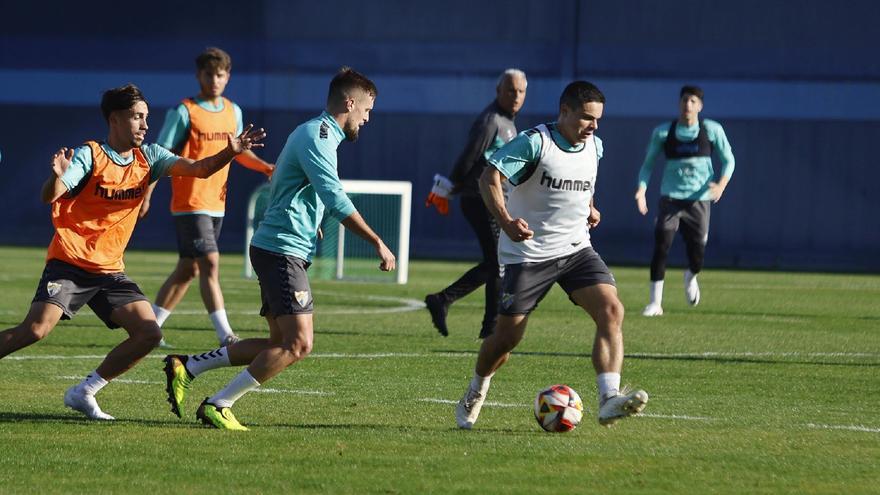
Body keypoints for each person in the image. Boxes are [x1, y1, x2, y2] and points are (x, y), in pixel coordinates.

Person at [0, 84, 265, 420]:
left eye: (146, 117)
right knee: (35, 330)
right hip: (70, 261)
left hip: (109, 270)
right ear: (115, 119)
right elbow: (49, 196)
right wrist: (56, 178)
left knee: (149, 332)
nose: (145, 124)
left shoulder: (150, 157)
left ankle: (85, 391)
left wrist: (231, 151)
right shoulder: (90, 154)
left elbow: (199, 169)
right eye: (137, 117)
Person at [162, 67, 396, 430]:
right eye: (366, 111)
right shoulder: (318, 136)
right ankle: (218, 403)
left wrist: (310, 220)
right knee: (299, 344)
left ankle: (189, 365)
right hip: (281, 250)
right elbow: (334, 198)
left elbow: (295, 185)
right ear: (350, 103)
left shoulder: (319, 135)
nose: (367, 119)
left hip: (281, 246)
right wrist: (377, 242)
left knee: (279, 342)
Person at [455, 81, 648, 430]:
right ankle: (476, 388)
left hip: (576, 249)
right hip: (528, 253)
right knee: (506, 340)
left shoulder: (595, 146)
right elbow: (489, 178)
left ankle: (608, 399)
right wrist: (507, 221)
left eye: (598, 120)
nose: (593, 127)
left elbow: (584, 181)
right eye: (587, 118)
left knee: (612, 310)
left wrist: (589, 207)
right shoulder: (535, 142)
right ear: (564, 112)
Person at [143, 47, 275, 347]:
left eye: (220, 74)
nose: (214, 80)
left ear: (227, 77)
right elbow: (157, 156)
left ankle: (149, 328)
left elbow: (239, 153)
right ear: (198, 75)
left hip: (217, 202)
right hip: (190, 201)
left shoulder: (234, 111)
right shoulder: (184, 110)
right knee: (211, 263)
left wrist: (265, 167)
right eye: (208, 74)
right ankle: (225, 334)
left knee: (188, 269)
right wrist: (147, 194)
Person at [424, 69, 527, 339]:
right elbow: (469, 156)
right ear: (498, 91)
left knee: (497, 263)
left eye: (520, 91)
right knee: (498, 263)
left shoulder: (508, 122)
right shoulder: (492, 120)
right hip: (479, 199)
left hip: (494, 200)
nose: (515, 96)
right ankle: (476, 320)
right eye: (510, 90)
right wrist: (454, 184)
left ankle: (468, 314)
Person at [634, 85, 735, 317]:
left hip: (699, 201)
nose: (687, 105)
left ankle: (691, 275)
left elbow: (729, 160)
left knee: (697, 253)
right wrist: (641, 190)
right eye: (684, 101)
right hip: (671, 199)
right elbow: (647, 165)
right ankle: (655, 303)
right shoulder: (663, 132)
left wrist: (720, 185)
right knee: (662, 242)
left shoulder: (711, 130)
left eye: (692, 101)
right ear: (679, 104)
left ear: (699, 106)